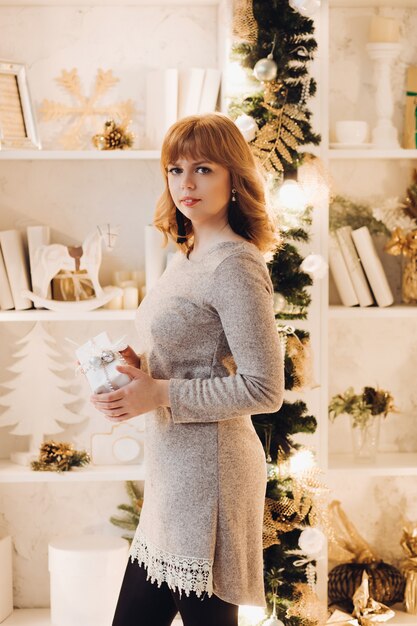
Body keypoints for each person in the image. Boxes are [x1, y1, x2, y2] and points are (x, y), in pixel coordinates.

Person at [90, 112, 284, 626]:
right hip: (173, 475)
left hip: (212, 482)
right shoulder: (191, 252)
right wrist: (141, 370)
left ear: (233, 177)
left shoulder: (236, 267)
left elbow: (265, 390)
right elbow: (190, 355)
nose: (185, 183)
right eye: (175, 170)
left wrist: (160, 393)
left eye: (202, 169)